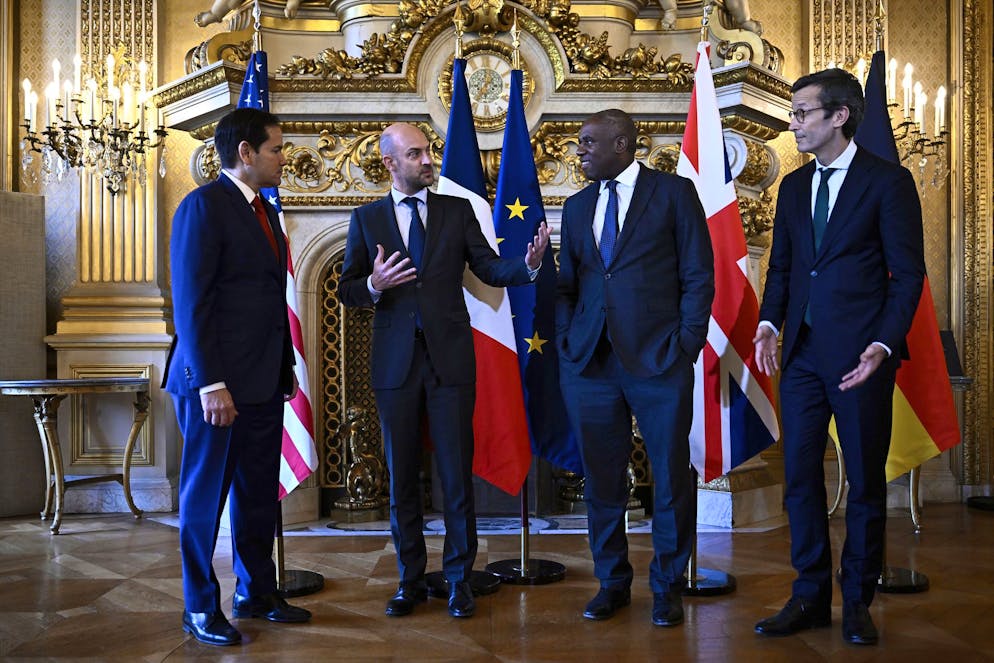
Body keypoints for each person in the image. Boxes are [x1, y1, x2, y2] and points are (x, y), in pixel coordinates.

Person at [337, 122, 550, 619]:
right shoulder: (366, 218)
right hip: (395, 366)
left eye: (429, 151)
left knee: (455, 476)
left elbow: (491, 270)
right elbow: (348, 290)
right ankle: (409, 581)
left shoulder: (457, 211)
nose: (428, 159)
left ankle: (458, 580)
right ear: (389, 162)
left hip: (451, 360)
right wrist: (372, 282)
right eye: (415, 154)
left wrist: (530, 264)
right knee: (403, 478)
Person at [752, 68, 925, 646]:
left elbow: (909, 276)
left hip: (860, 360)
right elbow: (783, 267)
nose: (793, 123)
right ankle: (808, 598)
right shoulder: (794, 188)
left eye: (802, 113)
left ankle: (857, 602)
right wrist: (770, 323)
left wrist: (881, 344)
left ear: (838, 116)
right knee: (799, 479)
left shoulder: (888, 182)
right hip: (799, 359)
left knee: (865, 484)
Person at [556, 109, 714, 627]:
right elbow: (568, 285)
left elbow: (698, 274)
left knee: (669, 476)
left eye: (587, 142)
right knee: (602, 481)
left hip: (659, 361)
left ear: (621, 143)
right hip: (591, 364)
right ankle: (612, 582)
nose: (578, 151)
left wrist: (687, 342)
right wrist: (566, 341)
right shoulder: (576, 207)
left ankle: (667, 586)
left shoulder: (672, 194)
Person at [164, 107, 311, 646]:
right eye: (276, 148)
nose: (283, 157)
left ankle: (256, 590)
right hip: (216, 387)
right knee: (205, 501)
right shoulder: (203, 206)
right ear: (245, 153)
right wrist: (210, 383)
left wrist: (284, 370)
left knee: (256, 496)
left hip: (264, 383)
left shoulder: (265, 212)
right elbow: (193, 305)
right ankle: (200, 608)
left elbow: (269, 302)